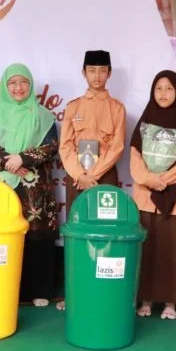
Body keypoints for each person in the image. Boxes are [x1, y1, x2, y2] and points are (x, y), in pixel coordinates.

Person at [0, 63, 59, 306]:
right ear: (5, 87)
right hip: (4, 186)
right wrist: (8, 162)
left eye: (23, 82)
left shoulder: (44, 115)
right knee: (6, 237)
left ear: (30, 85)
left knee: (38, 238)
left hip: (35, 188)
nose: (18, 87)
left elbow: (51, 146)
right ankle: (9, 288)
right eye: (12, 83)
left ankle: (39, 291)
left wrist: (22, 158)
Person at [130, 71, 176, 320]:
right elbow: (135, 155)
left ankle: (171, 303)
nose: (163, 93)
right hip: (147, 198)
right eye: (158, 88)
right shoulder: (145, 120)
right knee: (149, 248)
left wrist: (164, 180)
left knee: (172, 249)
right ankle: (146, 300)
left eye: (169, 89)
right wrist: (150, 179)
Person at [59, 50, 126, 225]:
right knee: (77, 224)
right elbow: (65, 146)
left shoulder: (117, 109)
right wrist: (80, 175)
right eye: (92, 70)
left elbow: (117, 147)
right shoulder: (73, 107)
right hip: (76, 177)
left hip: (104, 175)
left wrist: (92, 175)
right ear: (84, 73)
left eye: (102, 70)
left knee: (105, 226)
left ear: (109, 73)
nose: (97, 76)